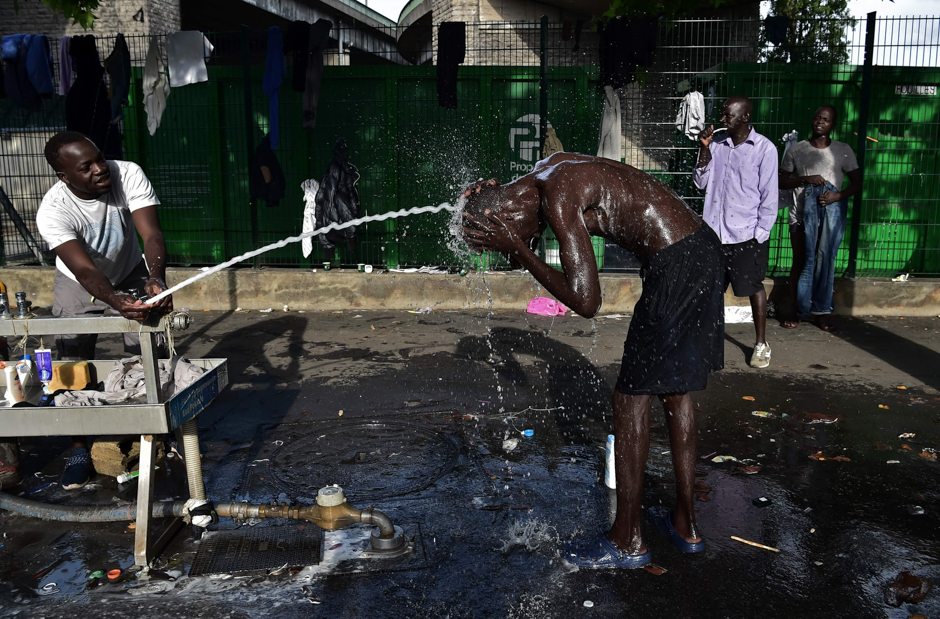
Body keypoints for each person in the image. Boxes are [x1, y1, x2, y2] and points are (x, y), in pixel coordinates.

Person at [461, 152, 723, 569]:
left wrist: (518, 250)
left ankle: (628, 539)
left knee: (629, 401)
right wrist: (513, 240)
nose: (527, 242)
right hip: (700, 248)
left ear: (507, 218)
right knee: (675, 391)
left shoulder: (558, 196)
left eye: (512, 239)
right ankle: (685, 523)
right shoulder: (548, 169)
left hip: (676, 264)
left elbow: (586, 302)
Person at [12, 131, 173, 491]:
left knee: (148, 350)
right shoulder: (53, 211)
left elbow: (151, 235)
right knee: (71, 360)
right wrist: (114, 300)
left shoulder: (127, 173)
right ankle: (79, 447)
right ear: (64, 176)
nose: (101, 169)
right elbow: (84, 271)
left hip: (132, 267)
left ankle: (158, 434)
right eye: (87, 167)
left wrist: (155, 279)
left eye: (100, 158)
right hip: (78, 280)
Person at [694, 96, 778, 368]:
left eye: (728, 115)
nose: (722, 120)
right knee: (711, 290)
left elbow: (769, 196)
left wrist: (760, 234)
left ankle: (761, 344)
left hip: (746, 235)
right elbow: (700, 182)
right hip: (715, 235)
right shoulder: (717, 146)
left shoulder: (765, 149)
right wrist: (704, 149)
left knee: (752, 287)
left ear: (745, 118)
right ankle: (708, 344)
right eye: (722, 114)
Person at [778, 105, 861, 332]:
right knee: (802, 261)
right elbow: (780, 180)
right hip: (800, 215)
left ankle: (821, 312)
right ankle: (798, 311)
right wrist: (804, 180)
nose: (819, 122)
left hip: (830, 214)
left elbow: (857, 183)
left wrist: (837, 196)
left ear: (832, 124)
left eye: (825, 119)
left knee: (825, 260)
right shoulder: (797, 150)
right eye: (817, 117)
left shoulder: (843, 151)